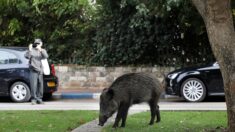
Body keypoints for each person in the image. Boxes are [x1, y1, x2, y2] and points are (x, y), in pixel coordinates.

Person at [25, 38, 48, 105]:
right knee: (33, 85)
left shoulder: (42, 50)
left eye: (38, 43)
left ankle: (39, 99)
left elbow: (46, 56)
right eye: (36, 43)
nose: (37, 44)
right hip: (33, 70)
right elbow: (26, 56)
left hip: (40, 70)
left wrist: (40, 49)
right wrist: (29, 50)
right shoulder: (31, 50)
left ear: (41, 44)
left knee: (40, 86)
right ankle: (33, 99)